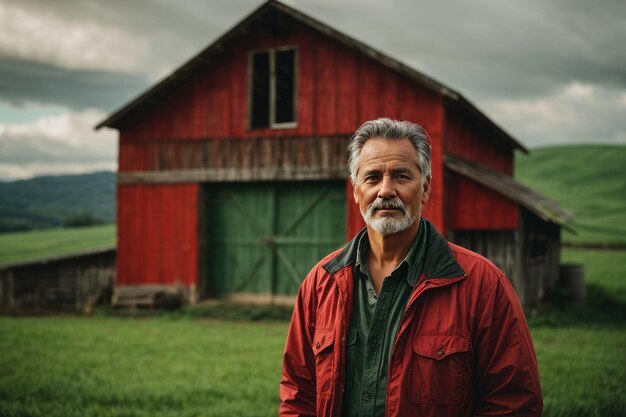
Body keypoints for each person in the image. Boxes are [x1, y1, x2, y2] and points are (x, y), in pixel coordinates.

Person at [279, 118, 542, 417]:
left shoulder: (483, 285)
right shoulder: (320, 282)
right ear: (355, 191)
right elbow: (298, 395)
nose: (386, 190)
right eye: (372, 177)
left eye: (401, 176)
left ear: (425, 188)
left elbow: (514, 403)